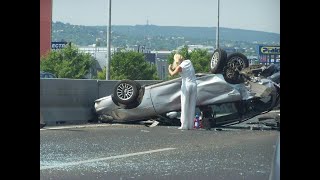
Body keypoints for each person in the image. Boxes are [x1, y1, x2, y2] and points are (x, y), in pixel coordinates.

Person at [168, 54, 197, 130]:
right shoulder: (188, 62)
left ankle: (184, 125)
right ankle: (191, 125)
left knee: (184, 105)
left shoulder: (180, 67)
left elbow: (172, 74)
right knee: (192, 105)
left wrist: (169, 69)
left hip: (186, 85)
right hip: (194, 85)